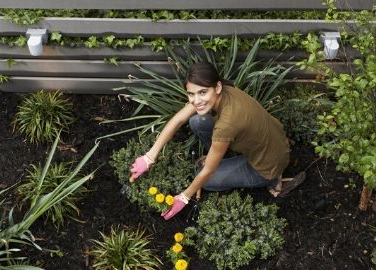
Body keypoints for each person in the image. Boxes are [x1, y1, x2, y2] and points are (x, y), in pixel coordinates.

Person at [129, 62, 305, 220]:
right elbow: (178, 120)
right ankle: (222, 155)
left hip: (266, 165)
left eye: (202, 92)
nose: (196, 100)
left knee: (204, 178)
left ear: (217, 87)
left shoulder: (227, 124)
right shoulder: (224, 91)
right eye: (191, 94)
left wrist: (183, 197)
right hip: (271, 140)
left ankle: (273, 180)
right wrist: (149, 157)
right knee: (197, 120)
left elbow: (208, 172)